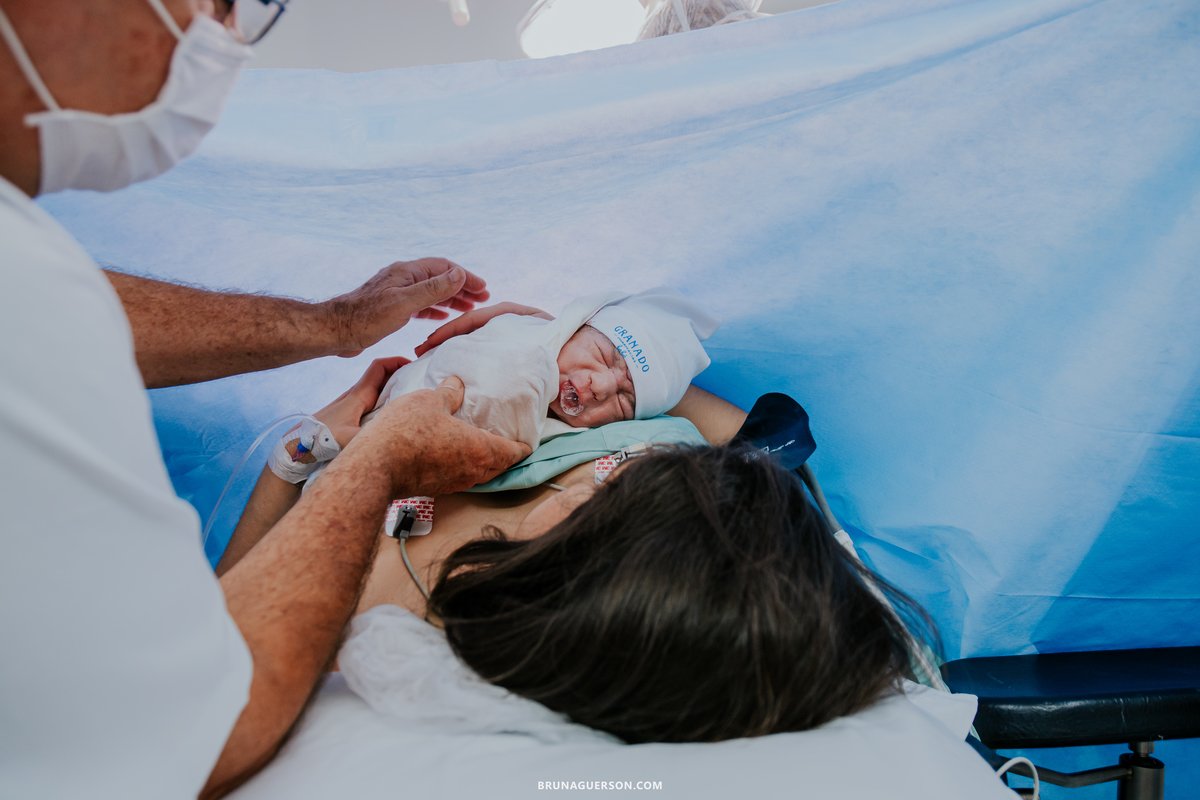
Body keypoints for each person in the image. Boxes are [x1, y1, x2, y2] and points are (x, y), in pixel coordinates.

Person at [0, 2, 529, 799]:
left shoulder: (38, 280)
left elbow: (81, 308)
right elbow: (189, 733)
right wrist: (375, 463)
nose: (227, 37)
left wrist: (335, 335)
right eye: (214, 4)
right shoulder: (31, 298)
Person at [217, 371, 931, 745]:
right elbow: (777, 440)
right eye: (637, 473)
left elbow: (228, 621)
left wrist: (303, 457)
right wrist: (595, 361)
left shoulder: (399, 607)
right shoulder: (708, 503)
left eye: (610, 495)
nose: (608, 470)